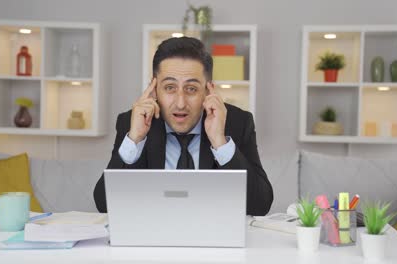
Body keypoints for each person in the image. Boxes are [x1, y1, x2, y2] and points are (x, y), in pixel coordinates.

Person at [93, 37, 273, 216]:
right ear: (154, 90)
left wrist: (220, 142)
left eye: (191, 89)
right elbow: (103, 205)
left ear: (208, 90)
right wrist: (134, 140)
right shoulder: (132, 122)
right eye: (170, 87)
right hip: (153, 236)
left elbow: (260, 205)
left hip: (212, 237)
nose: (180, 103)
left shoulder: (236, 122)